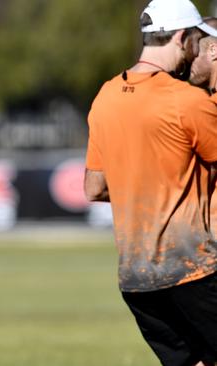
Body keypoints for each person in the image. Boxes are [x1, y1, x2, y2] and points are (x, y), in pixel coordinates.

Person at [84, 0, 217, 365]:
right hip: (194, 268)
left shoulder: (105, 96)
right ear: (182, 38)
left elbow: (94, 188)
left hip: (136, 277)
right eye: (196, 40)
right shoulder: (188, 101)